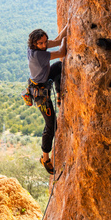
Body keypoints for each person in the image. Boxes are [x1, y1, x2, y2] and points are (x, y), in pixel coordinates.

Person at [27, 25, 67, 174]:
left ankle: (58, 94)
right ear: (34, 44)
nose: (44, 45)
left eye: (45, 42)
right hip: (40, 95)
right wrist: (68, 38)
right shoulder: (39, 55)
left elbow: (56, 41)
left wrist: (69, 25)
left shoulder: (34, 49)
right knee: (51, 125)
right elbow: (61, 50)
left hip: (43, 83)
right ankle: (45, 158)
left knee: (59, 66)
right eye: (41, 43)